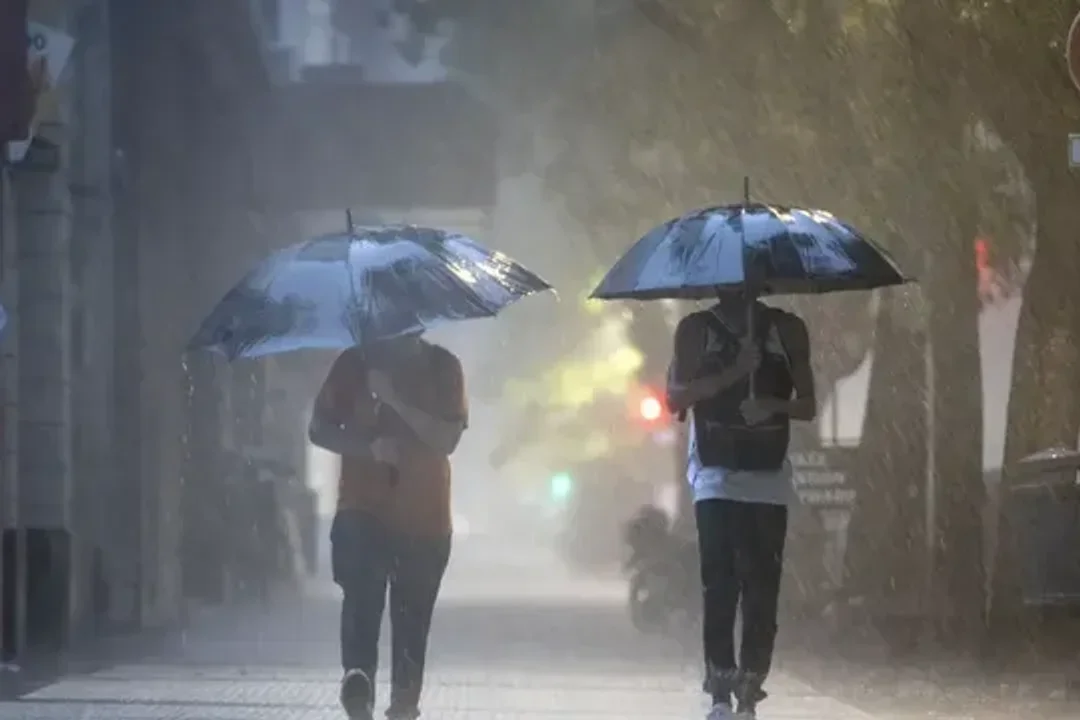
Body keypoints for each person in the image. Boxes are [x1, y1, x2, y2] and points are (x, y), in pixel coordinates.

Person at [666, 293, 815, 719]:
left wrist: (769, 404)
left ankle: (751, 688)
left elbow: (808, 404)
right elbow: (675, 398)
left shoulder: (787, 329)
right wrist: (734, 373)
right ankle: (719, 690)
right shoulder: (696, 330)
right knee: (720, 584)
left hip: (767, 479)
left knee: (762, 589)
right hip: (714, 476)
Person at [309, 333, 468, 720]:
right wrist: (368, 448)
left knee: (412, 619)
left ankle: (403, 703)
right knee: (361, 599)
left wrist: (395, 397)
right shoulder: (354, 364)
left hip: (425, 516)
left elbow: (447, 438)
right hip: (362, 510)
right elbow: (319, 429)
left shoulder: (443, 367)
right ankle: (358, 683)